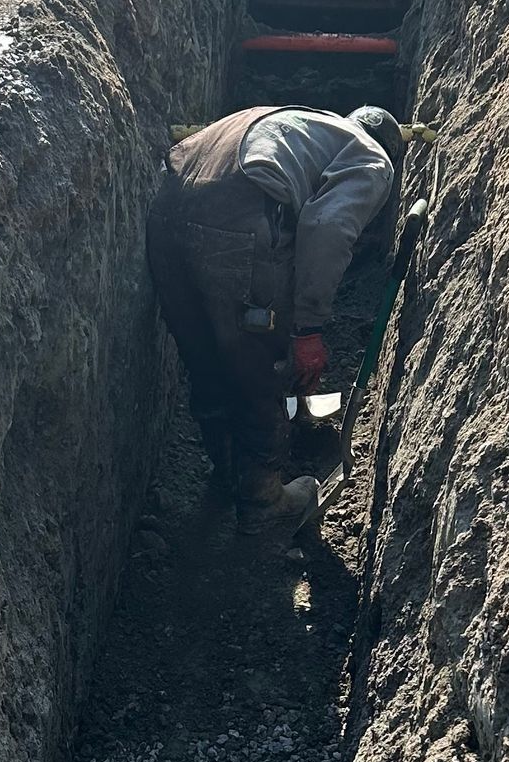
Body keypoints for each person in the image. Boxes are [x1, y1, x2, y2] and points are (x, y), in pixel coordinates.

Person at [146, 104, 403, 534]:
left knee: (205, 352)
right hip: (232, 226)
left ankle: (227, 465)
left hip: (165, 216)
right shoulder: (371, 156)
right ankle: (262, 494)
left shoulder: (305, 125)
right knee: (256, 360)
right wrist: (308, 329)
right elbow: (326, 227)